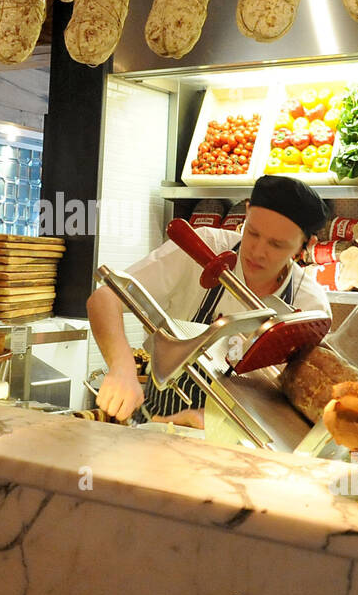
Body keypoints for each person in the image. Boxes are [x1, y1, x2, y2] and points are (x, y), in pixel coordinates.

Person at [87, 175, 331, 428]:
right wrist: (121, 367)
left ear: (306, 244)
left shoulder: (310, 306)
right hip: (158, 428)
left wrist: (215, 422)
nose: (258, 251)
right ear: (246, 211)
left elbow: (303, 402)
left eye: (277, 244)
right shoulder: (203, 247)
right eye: (253, 232)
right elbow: (106, 297)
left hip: (244, 442)